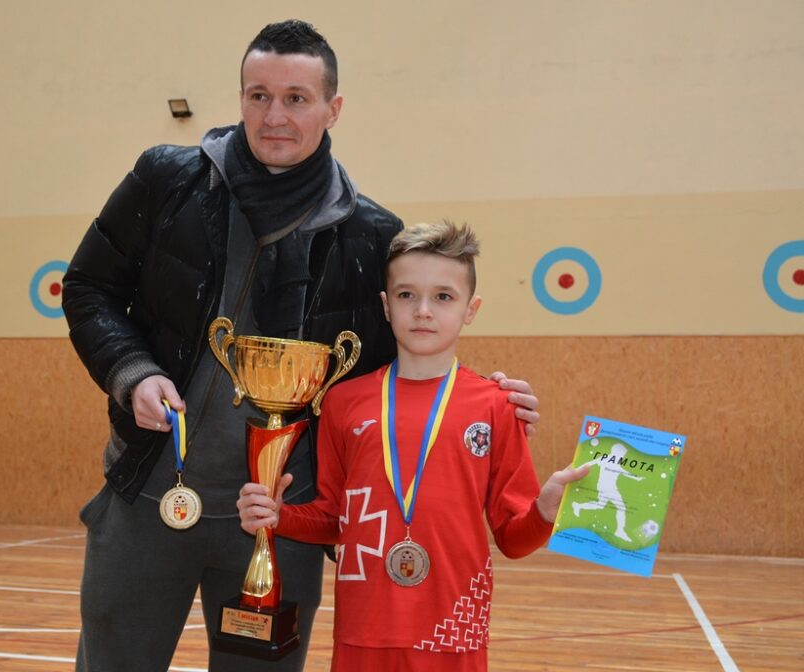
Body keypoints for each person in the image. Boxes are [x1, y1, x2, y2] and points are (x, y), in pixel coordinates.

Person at [62, 20, 541, 672]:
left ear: (332, 108)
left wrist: (488, 402)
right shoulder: (166, 181)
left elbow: (394, 374)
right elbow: (88, 287)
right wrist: (132, 371)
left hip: (283, 517)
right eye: (258, 95)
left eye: (296, 98)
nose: (274, 116)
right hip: (149, 499)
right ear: (240, 97)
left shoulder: (370, 235)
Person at [237, 221, 587, 671]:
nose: (423, 311)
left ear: (471, 309)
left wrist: (546, 511)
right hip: (364, 627)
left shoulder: (497, 406)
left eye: (443, 297)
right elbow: (335, 518)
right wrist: (278, 516)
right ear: (386, 305)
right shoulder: (343, 402)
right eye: (407, 295)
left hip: (453, 630)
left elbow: (514, 540)